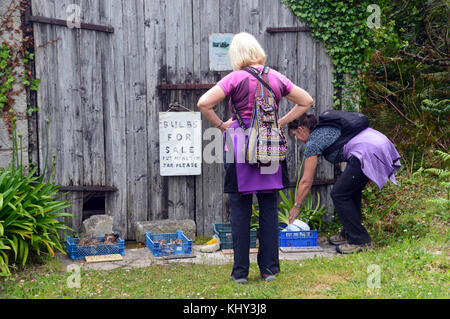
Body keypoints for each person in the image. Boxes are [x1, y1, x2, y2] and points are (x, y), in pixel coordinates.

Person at [197, 32, 314, 283]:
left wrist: (222, 126)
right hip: (270, 145)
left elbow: (203, 103)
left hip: (240, 147)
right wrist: (279, 122)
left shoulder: (235, 77)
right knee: (269, 208)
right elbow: (306, 101)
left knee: (240, 210)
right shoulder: (276, 76)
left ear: (237, 55)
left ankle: (240, 273)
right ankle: (269, 270)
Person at [287, 113, 401, 254]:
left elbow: (306, 180)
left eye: (295, 135)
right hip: (376, 141)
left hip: (368, 149)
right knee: (350, 192)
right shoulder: (325, 128)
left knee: (339, 194)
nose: (297, 139)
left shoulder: (314, 140)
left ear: (301, 129)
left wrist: (296, 206)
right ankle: (348, 233)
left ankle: (360, 240)